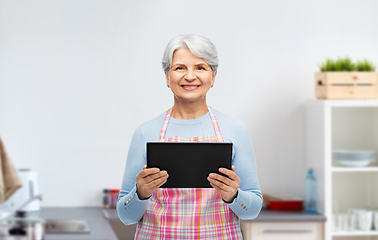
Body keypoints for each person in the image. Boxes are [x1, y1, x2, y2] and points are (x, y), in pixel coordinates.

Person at [117, 34, 262, 239]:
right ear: (167, 76)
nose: (190, 76)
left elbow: (253, 209)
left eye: (200, 67)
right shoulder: (145, 132)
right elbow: (126, 216)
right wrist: (141, 192)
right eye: (180, 68)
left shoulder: (235, 129)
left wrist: (233, 195)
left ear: (213, 76)